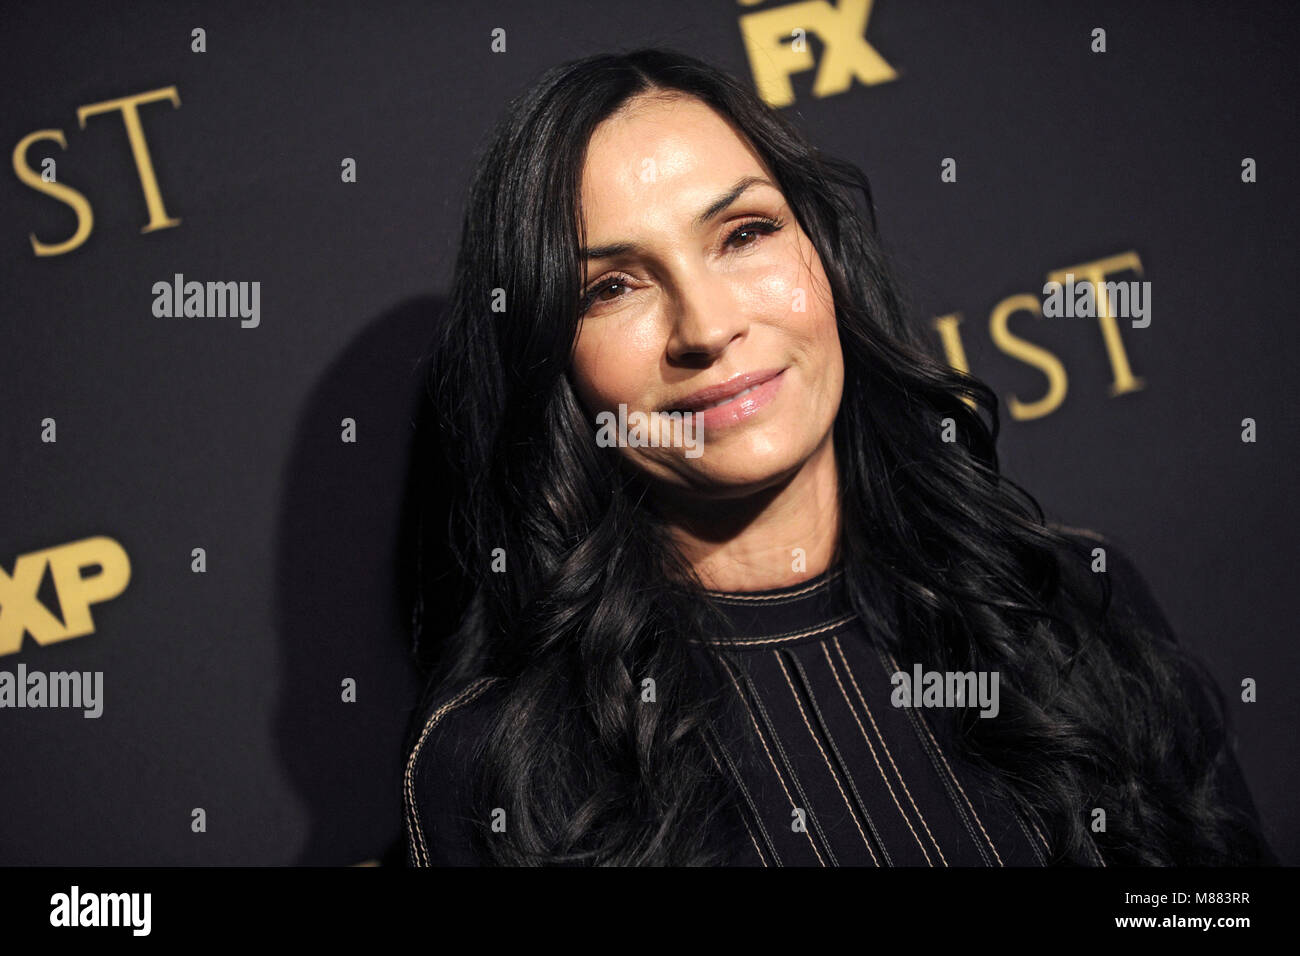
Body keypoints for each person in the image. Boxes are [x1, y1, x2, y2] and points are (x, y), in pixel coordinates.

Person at [401, 48, 1275, 866]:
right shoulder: (495, 767)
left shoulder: (1066, 606)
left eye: (744, 234)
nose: (707, 328)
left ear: (826, 255)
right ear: (554, 361)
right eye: (611, 287)